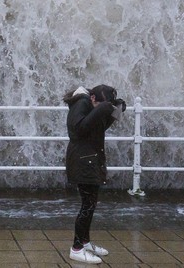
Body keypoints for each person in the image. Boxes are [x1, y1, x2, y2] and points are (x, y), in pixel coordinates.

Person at [63, 84, 126, 264]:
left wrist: (115, 111)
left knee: (90, 204)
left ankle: (84, 242)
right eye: (101, 106)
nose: (101, 110)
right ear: (92, 98)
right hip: (82, 162)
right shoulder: (80, 104)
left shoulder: (91, 106)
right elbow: (77, 130)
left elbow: (99, 126)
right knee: (87, 205)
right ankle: (76, 248)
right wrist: (102, 110)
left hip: (90, 160)